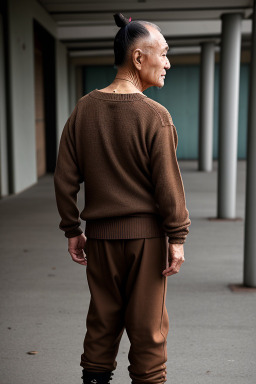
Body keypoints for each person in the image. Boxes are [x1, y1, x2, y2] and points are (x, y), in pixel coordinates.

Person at [54, 12, 191, 384]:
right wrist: (176, 238)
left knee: (102, 321)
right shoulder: (155, 117)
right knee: (148, 331)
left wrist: (72, 229)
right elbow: (168, 187)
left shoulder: (83, 109)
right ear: (138, 58)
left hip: (99, 239)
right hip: (146, 241)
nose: (167, 62)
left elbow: (64, 177)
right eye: (162, 53)